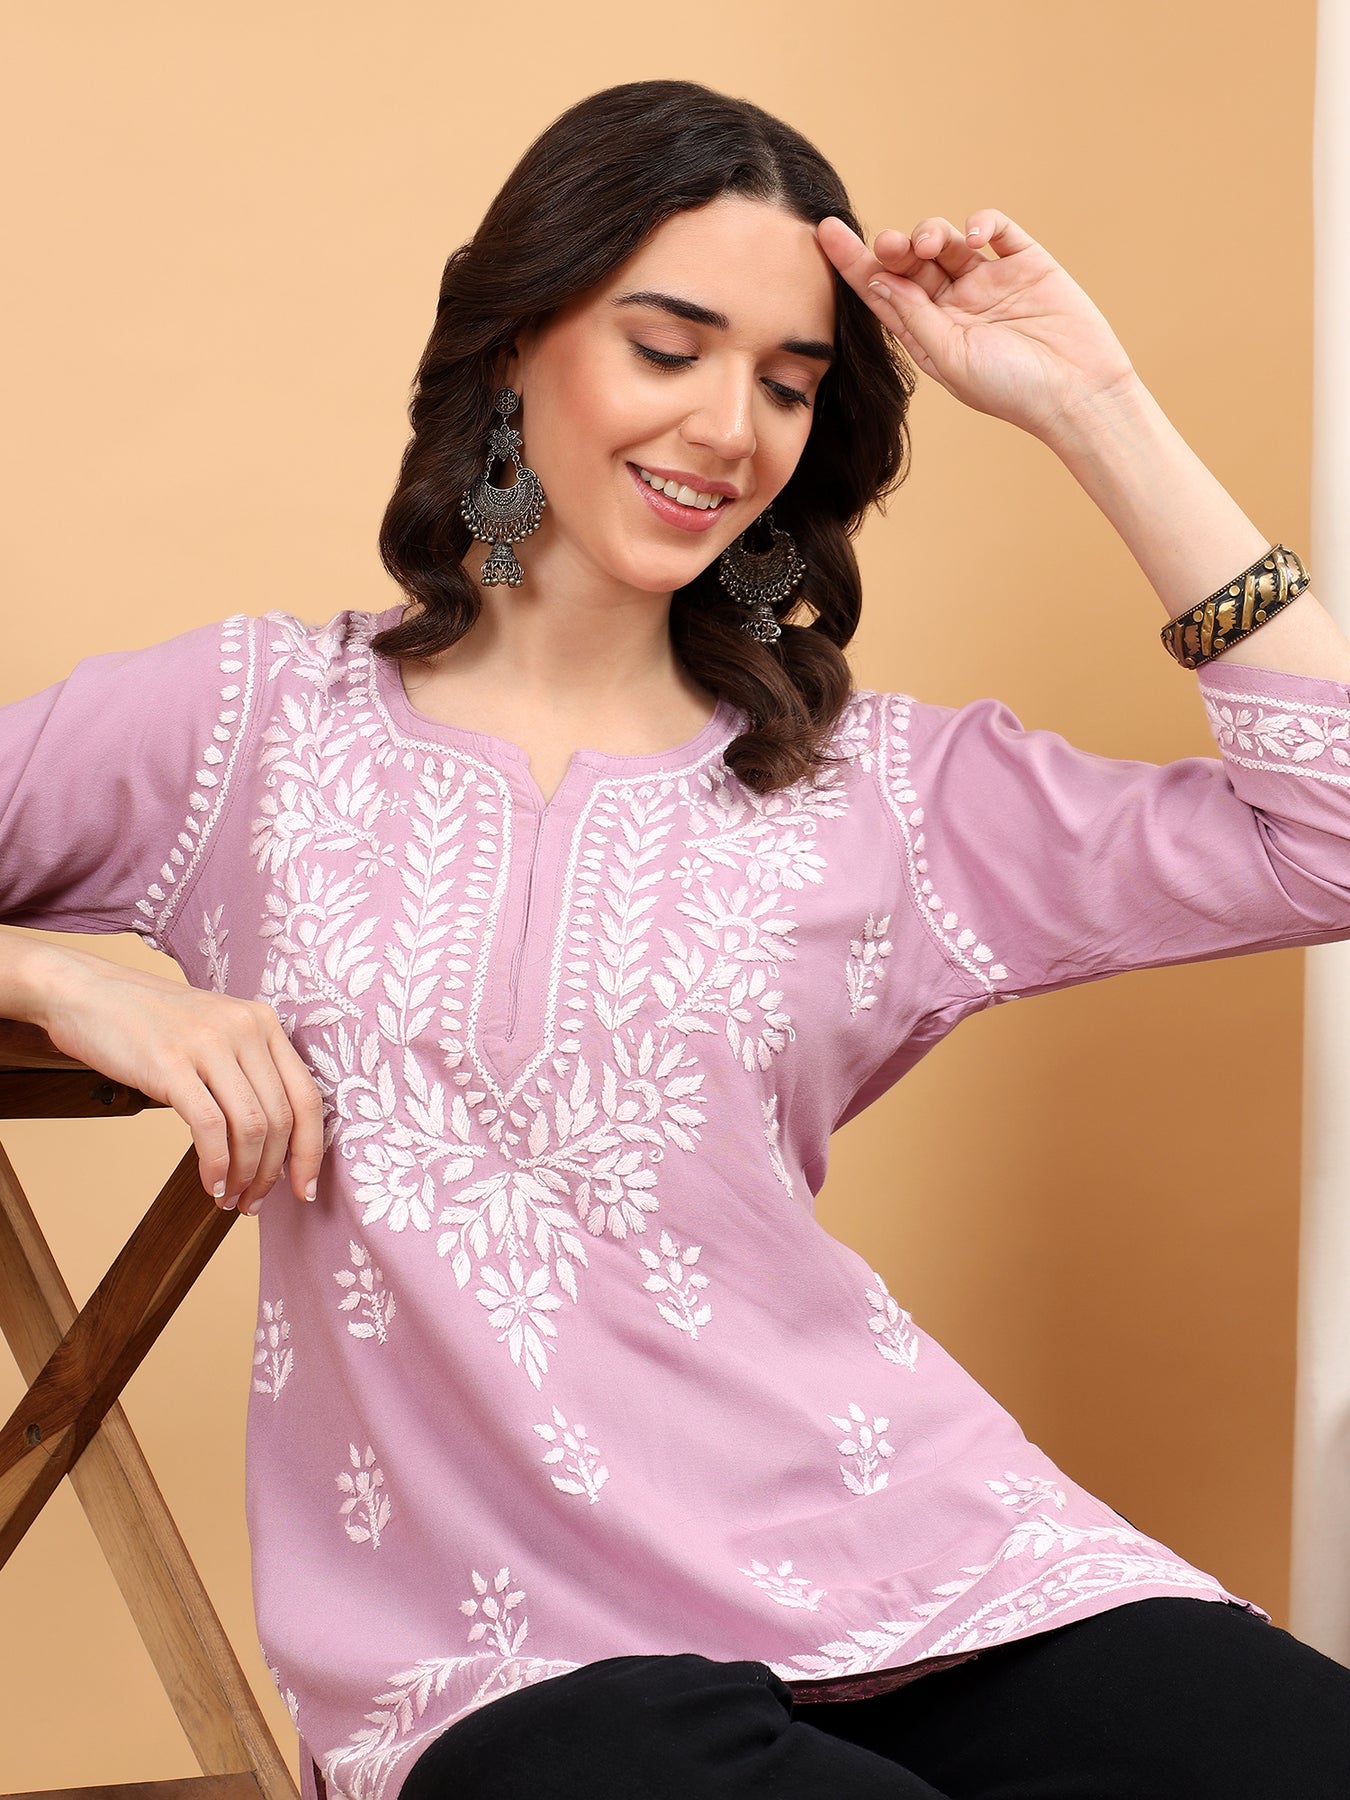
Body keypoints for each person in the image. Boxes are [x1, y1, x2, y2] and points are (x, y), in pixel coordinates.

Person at [2, 76, 1349, 1800]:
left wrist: (1095, 407)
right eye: (668, 348)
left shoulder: (884, 790)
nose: (728, 427)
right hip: (517, 1674)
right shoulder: (250, 728)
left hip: (943, 1578)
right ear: (514, 343)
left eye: (787, 383)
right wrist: (69, 986)